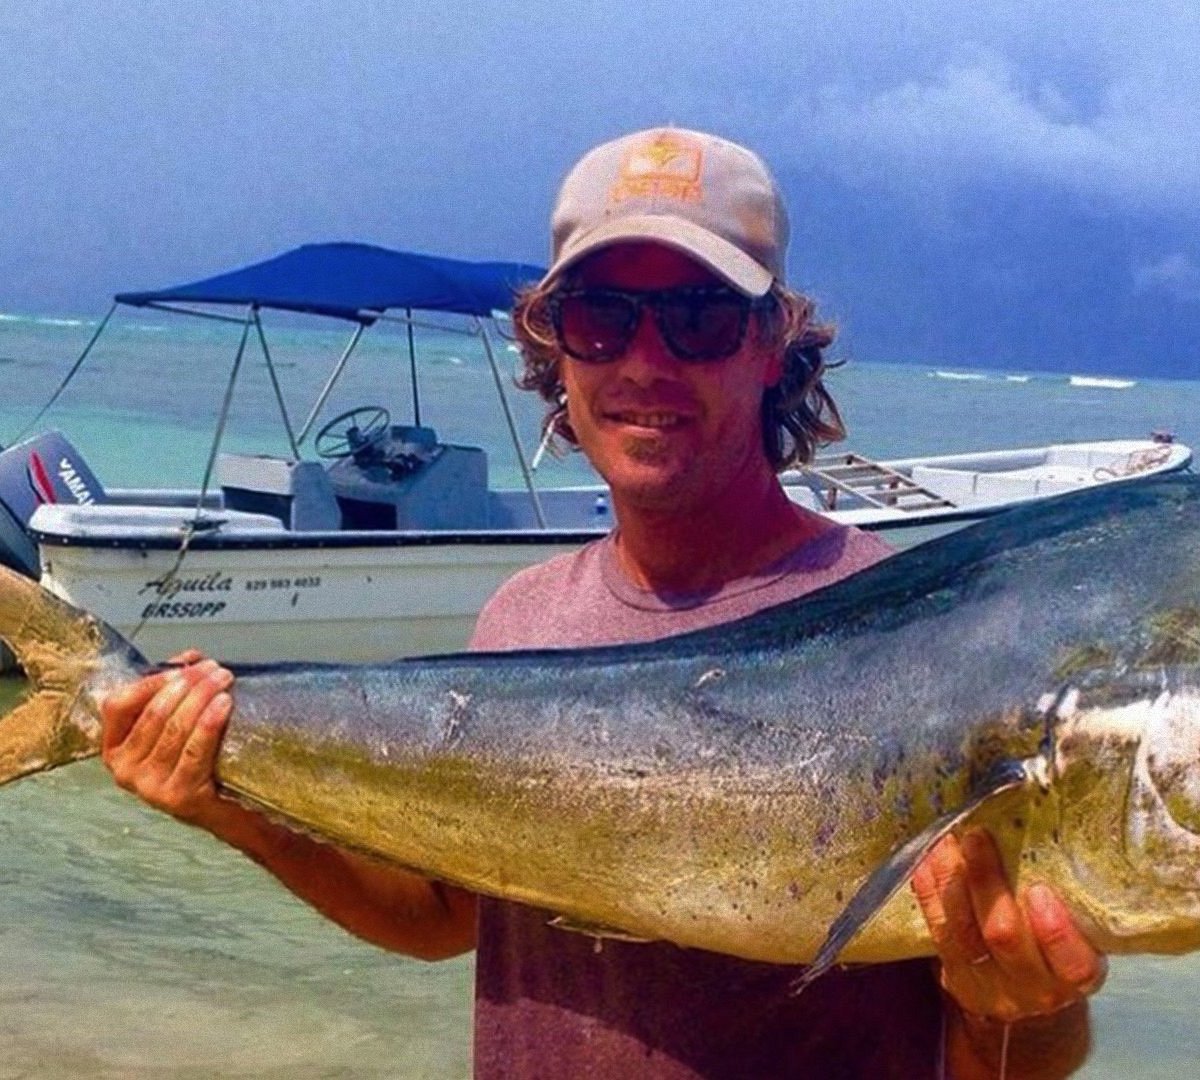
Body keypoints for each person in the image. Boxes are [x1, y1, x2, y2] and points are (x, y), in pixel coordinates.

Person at [101, 127, 1106, 1078]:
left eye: (700, 319)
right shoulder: (522, 617)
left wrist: (1027, 1005)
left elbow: (1011, 1051)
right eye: (602, 318)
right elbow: (442, 915)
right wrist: (237, 807)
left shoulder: (900, 628)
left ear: (771, 346)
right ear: (555, 349)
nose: (645, 362)